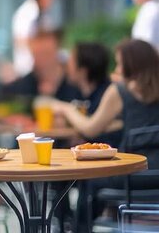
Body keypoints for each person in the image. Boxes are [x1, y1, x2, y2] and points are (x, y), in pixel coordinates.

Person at [54, 39, 159, 228]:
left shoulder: (120, 91)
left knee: (88, 179)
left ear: (131, 67)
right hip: (156, 178)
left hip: (131, 176)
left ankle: (80, 229)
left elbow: (90, 128)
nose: (116, 70)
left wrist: (68, 109)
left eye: (119, 64)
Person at [65, 42, 122, 146]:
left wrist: (65, 109)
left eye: (71, 61)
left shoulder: (109, 93)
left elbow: (91, 129)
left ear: (83, 71)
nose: (67, 65)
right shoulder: (76, 91)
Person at [2, 29, 82, 102]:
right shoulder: (19, 89)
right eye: (37, 54)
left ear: (57, 52)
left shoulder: (77, 84)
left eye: (46, 53)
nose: (41, 60)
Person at [12, 0, 56, 76]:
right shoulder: (27, 12)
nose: (52, 1)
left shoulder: (44, 14)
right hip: (26, 67)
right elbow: (19, 40)